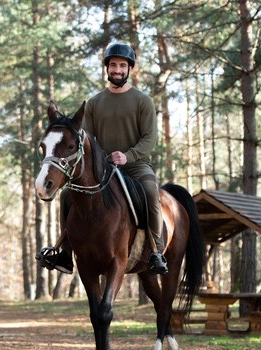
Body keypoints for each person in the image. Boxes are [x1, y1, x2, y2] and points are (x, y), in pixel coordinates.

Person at [38, 42, 168, 275]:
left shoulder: (142, 101)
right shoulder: (96, 103)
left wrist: (128, 156)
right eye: (113, 65)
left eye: (122, 65)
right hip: (103, 169)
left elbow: (149, 139)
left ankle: (156, 253)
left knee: (150, 191)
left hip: (136, 166)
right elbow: (87, 140)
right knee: (68, 194)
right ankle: (65, 254)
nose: (117, 70)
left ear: (129, 69)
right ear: (107, 69)